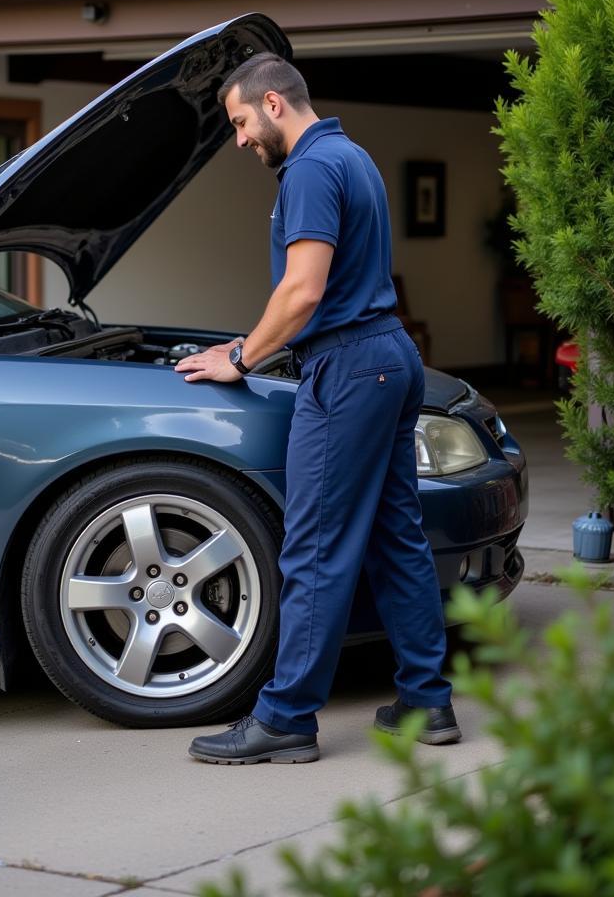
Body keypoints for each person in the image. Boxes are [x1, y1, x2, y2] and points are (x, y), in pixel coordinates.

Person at [174, 53, 460, 765]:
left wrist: (241, 358)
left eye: (240, 122)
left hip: (350, 368)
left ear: (274, 103)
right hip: (390, 357)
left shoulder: (307, 169)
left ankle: (287, 717)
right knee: (396, 540)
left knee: (315, 547)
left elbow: (303, 293)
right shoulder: (352, 155)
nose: (239, 140)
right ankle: (427, 701)